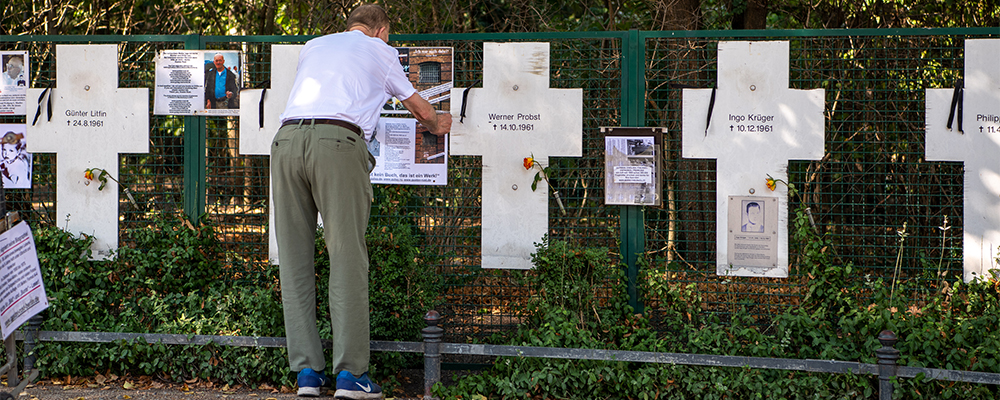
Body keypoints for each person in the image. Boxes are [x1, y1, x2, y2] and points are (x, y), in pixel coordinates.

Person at [271, 4, 451, 399]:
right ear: (381, 31)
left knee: (295, 261)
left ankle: (307, 374)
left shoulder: (314, 45)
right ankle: (351, 375)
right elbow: (418, 108)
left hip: (285, 143)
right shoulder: (381, 51)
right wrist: (440, 123)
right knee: (347, 258)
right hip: (336, 144)